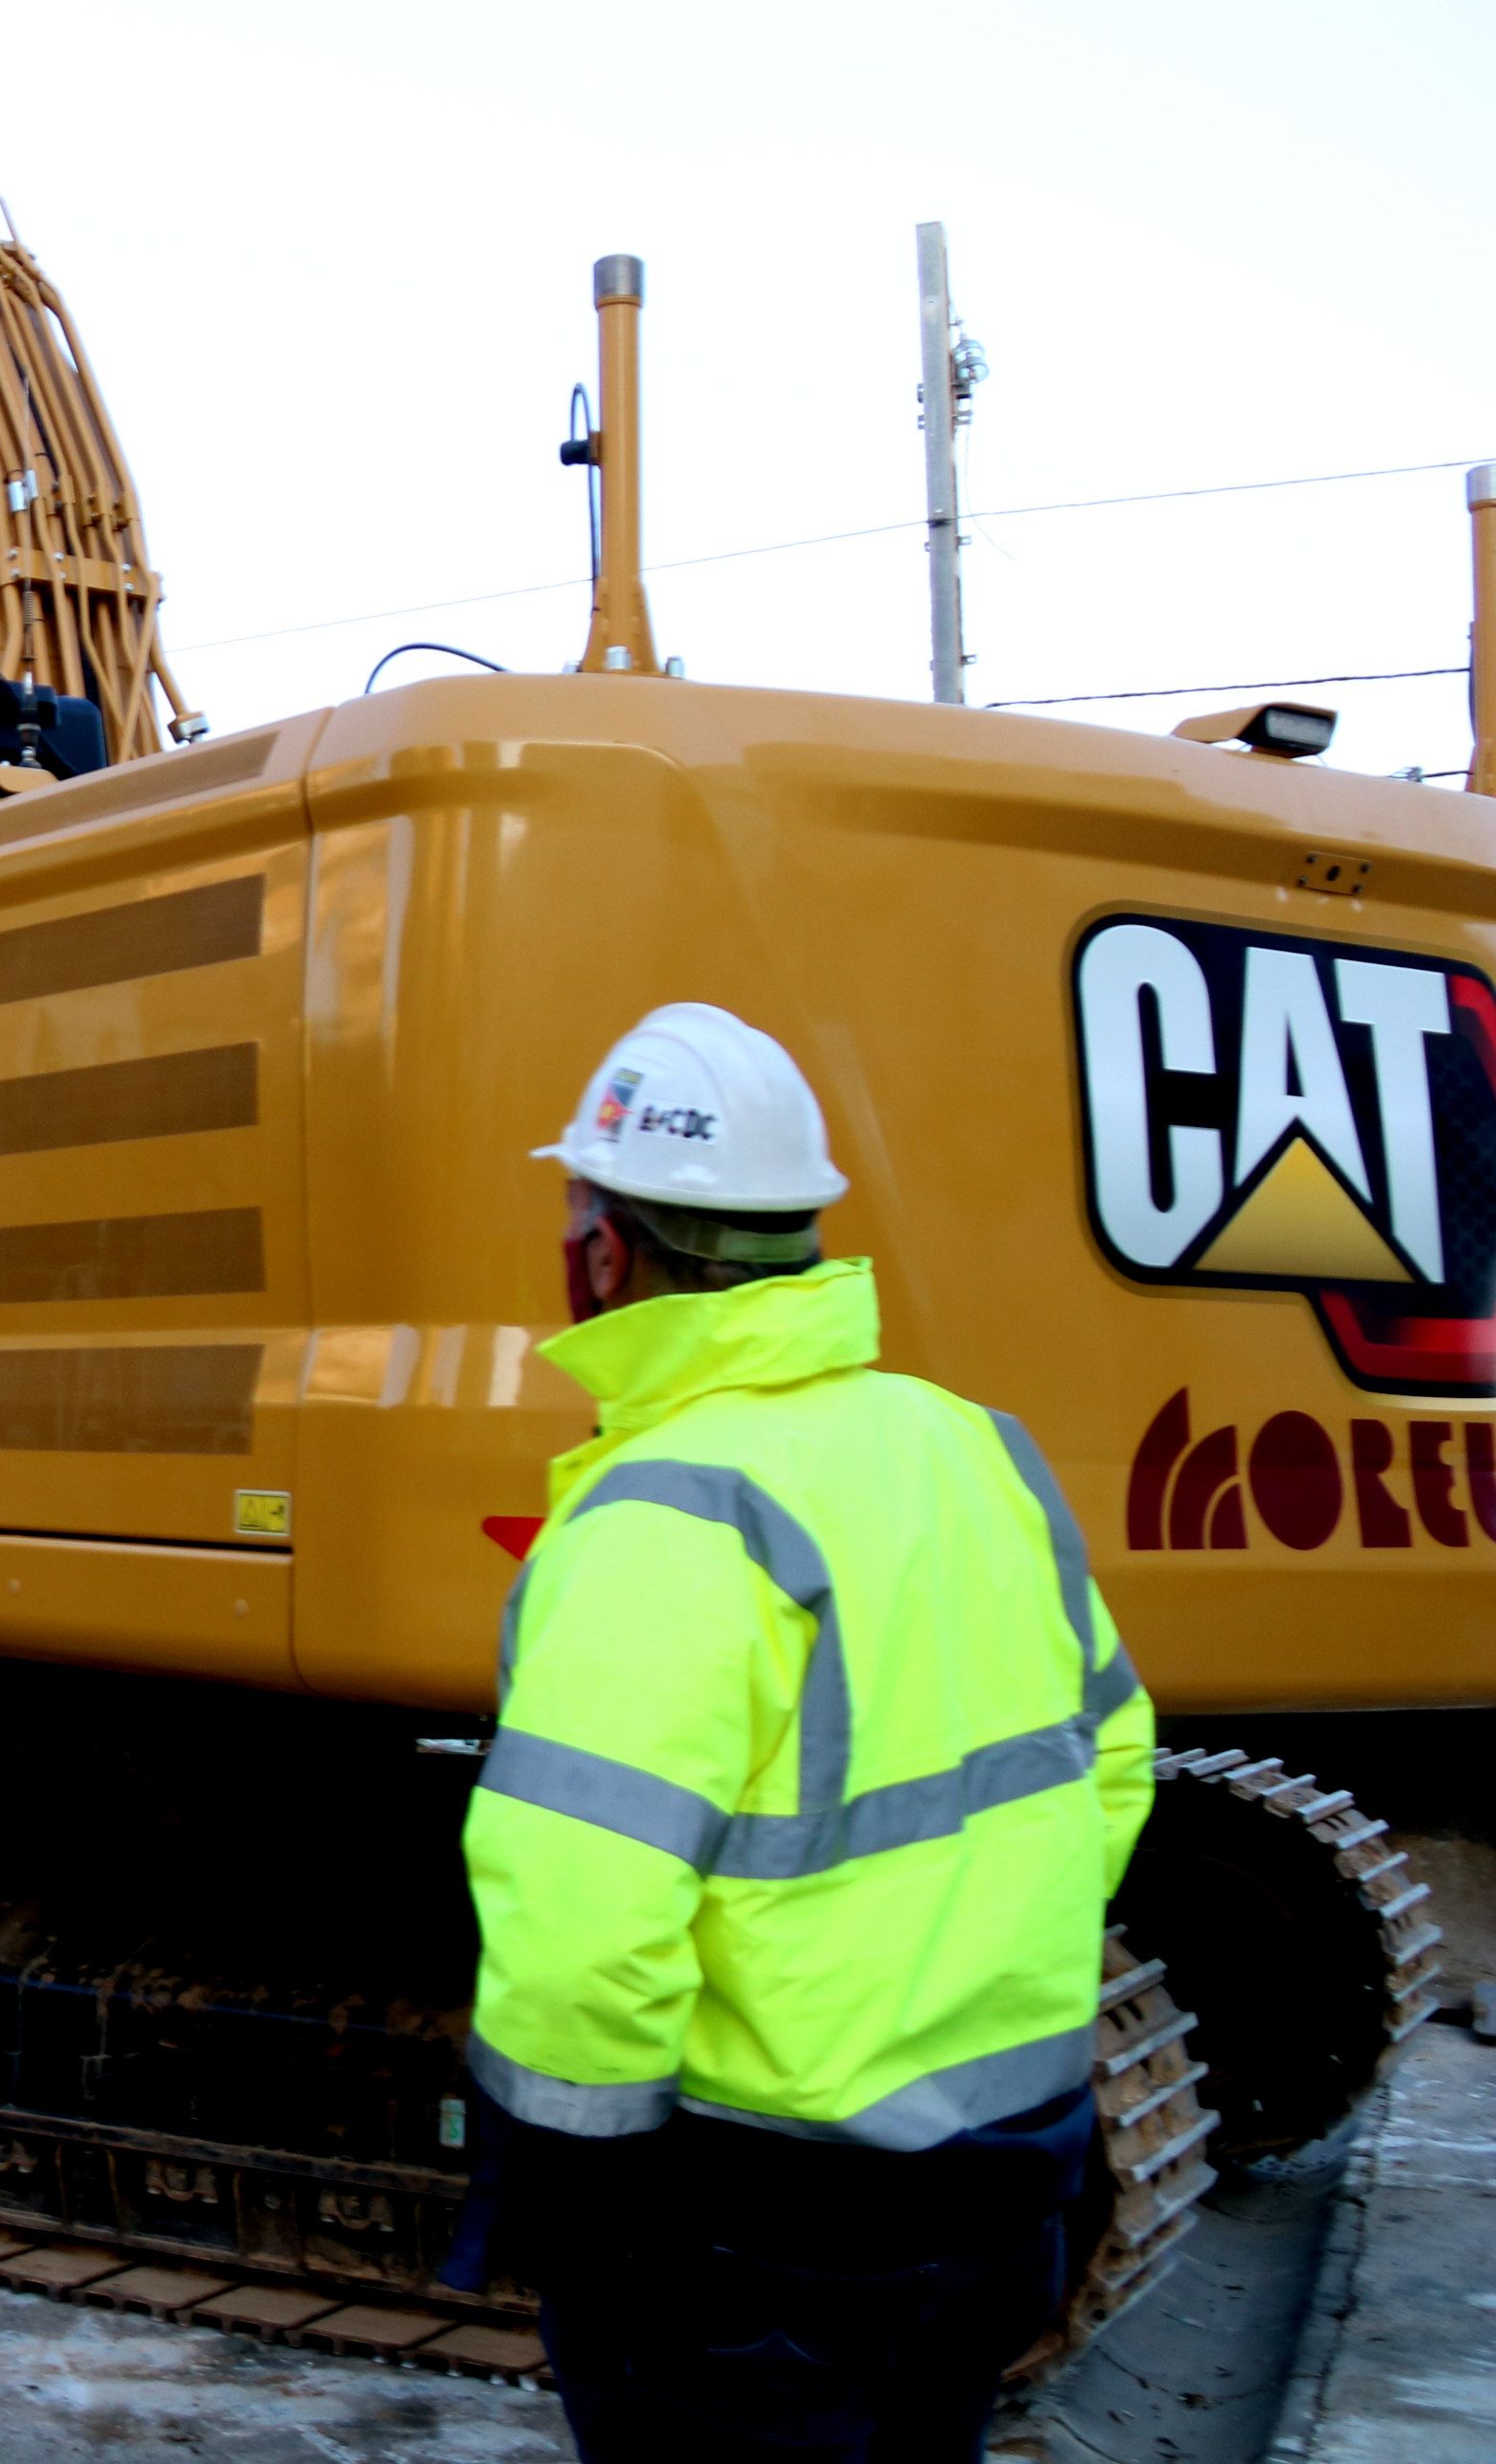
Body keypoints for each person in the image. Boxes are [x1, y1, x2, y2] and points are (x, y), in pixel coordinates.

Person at [460, 1000, 1156, 2462]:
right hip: (1007, 2163)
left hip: (767, 2219)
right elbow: (1105, 1762)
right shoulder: (972, 1444)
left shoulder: (666, 1509)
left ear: (603, 1248)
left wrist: (572, 2203)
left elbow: (587, 1920)